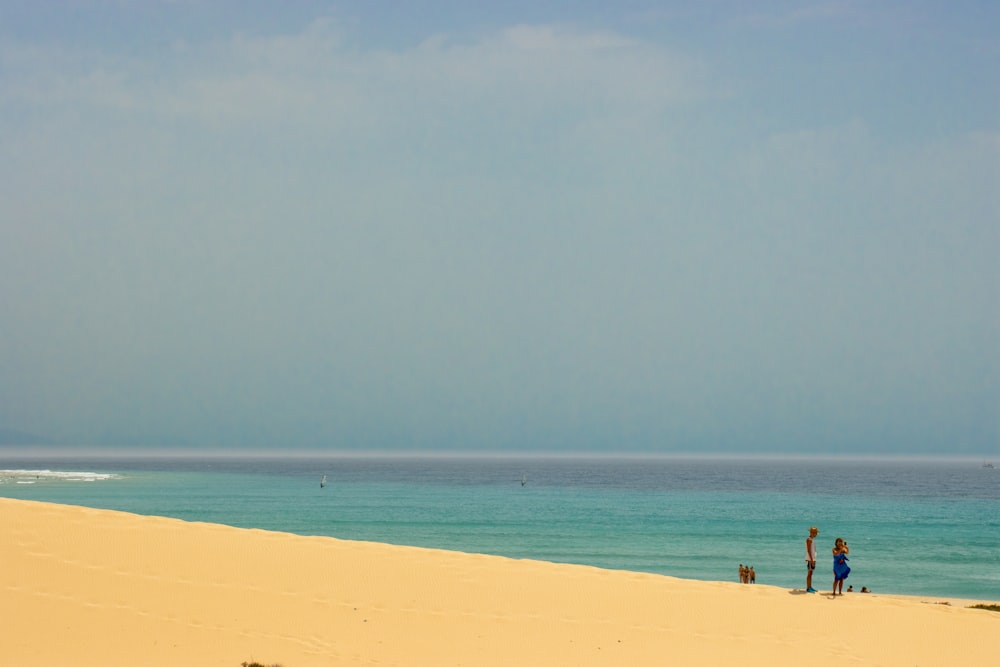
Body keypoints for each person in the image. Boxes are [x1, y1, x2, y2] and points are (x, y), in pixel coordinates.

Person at [805, 526, 819, 592]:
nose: (815, 534)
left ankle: (810, 586)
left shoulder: (811, 540)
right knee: (809, 573)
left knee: (811, 573)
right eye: (814, 533)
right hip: (810, 559)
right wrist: (811, 559)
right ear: (811, 532)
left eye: (816, 533)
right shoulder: (809, 539)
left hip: (812, 558)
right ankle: (808, 588)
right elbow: (808, 550)